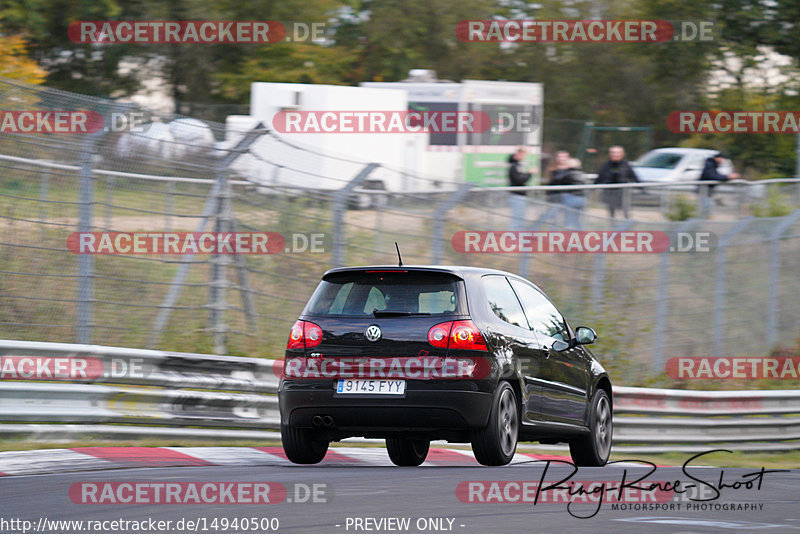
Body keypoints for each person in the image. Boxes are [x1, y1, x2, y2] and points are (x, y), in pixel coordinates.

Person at [595, 145, 639, 218]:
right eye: (613, 152)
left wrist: (641, 189)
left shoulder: (626, 165)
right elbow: (599, 178)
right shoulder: (605, 165)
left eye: (617, 152)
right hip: (609, 193)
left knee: (625, 212)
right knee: (611, 212)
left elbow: (634, 177)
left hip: (623, 194)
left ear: (622, 154)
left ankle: (625, 226)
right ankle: (613, 226)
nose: (615, 154)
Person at [548, 151, 586, 228]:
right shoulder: (580, 172)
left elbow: (557, 180)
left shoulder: (569, 173)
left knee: (569, 221)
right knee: (576, 220)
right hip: (578, 198)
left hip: (570, 198)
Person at [508, 147, 533, 229]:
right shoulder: (514, 166)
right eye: (522, 154)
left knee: (519, 219)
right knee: (517, 219)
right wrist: (529, 173)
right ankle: (513, 238)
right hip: (517, 195)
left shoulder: (517, 165)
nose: (524, 156)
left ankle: (517, 237)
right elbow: (520, 180)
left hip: (519, 195)